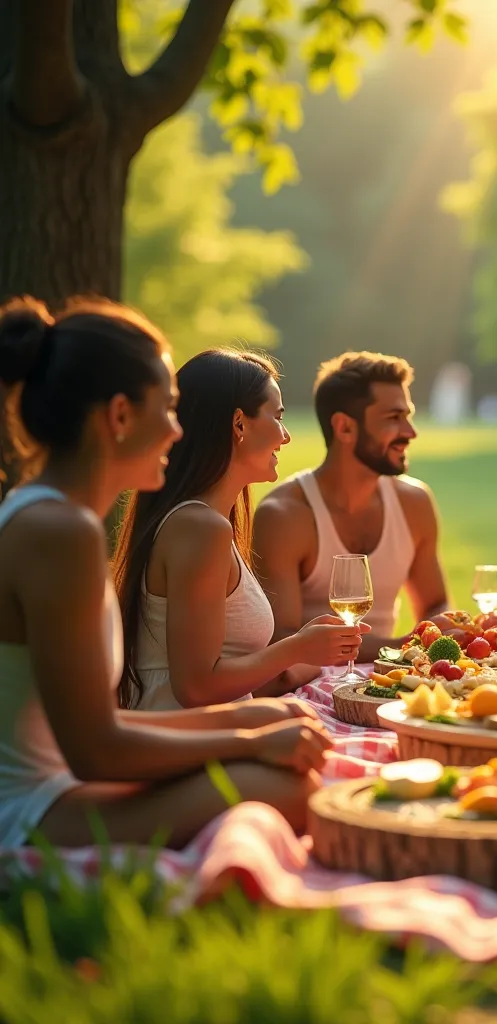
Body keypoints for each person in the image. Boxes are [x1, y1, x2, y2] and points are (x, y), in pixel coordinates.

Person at [0, 298, 333, 849]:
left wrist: (253, 725)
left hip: (62, 787)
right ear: (120, 417)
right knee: (287, 789)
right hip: (30, 816)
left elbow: (102, 727)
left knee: (282, 737)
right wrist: (245, 742)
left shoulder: (52, 517)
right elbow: (95, 749)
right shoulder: (59, 532)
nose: (179, 432)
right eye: (168, 409)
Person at [112, 349, 366, 711]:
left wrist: (303, 657)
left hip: (212, 730)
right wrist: (297, 647)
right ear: (239, 424)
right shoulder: (200, 528)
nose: (286, 435)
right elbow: (196, 688)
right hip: (182, 745)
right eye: (277, 417)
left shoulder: (204, 523)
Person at [253, 352, 449, 661]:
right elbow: (282, 641)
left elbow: (435, 603)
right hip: (305, 689)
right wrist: (400, 646)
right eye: (394, 418)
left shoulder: (415, 503)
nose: (410, 432)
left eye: (408, 416)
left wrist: (445, 627)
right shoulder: (284, 516)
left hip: (385, 681)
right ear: (344, 428)